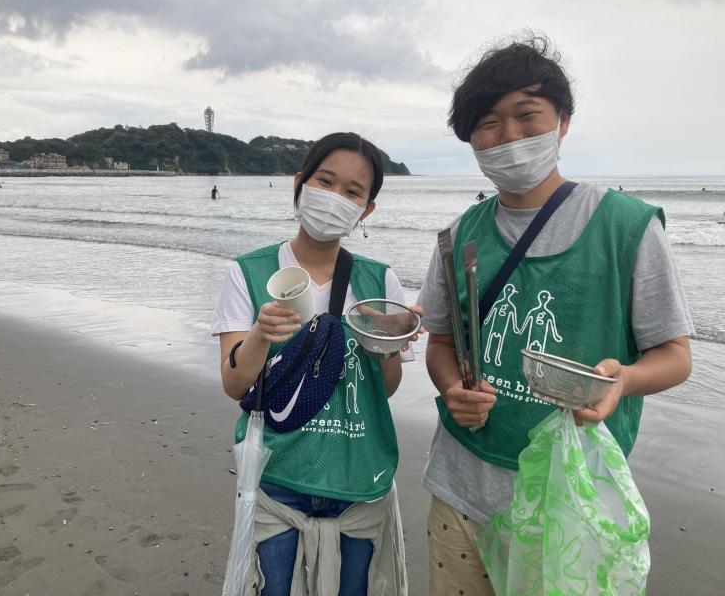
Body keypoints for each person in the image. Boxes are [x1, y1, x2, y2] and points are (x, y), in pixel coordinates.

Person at [416, 35, 693, 595]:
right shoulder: (459, 235)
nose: (509, 136)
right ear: (471, 137)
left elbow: (675, 356)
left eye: (527, 116)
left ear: (563, 121)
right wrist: (452, 389)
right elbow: (441, 342)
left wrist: (626, 380)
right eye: (489, 123)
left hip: (570, 501)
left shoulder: (627, 227)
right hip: (460, 488)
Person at [212, 132, 418, 595]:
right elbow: (233, 382)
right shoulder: (248, 272)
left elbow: (385, 388)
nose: (335, 199)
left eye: (352, 192)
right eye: (325, 182)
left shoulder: (379, 280)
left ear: (366, 210)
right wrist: (262, 335)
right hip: (277, 474)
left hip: (359, 476)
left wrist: (385, 342)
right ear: (300, 184)